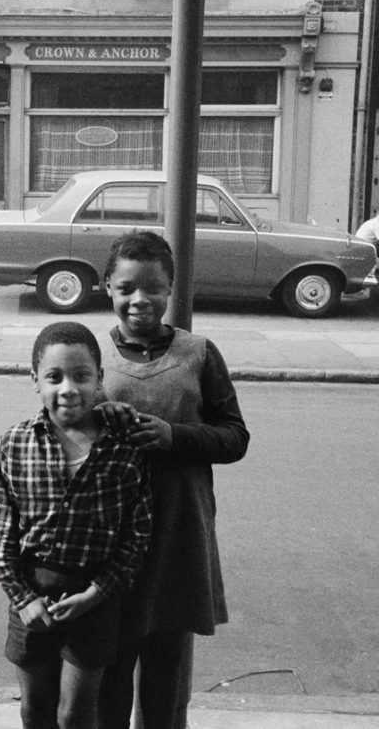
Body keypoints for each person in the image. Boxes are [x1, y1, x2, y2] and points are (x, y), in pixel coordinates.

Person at [95, 232, 250, 729]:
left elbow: (234, 437)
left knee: (166, 677)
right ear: (108, 288)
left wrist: (173, 436)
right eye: (126, 288)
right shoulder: (90, 352)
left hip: (178, 528)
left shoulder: (199, 353)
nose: (140, 300)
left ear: (171, 289)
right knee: (109, 674)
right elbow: (58, 426)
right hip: (108, 532)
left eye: (154, 288)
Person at [0, 321, 153, 729]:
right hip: (31, 594)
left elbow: (136, 538)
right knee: (34, 710)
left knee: (77, 713)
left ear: (99, 379)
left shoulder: (124, 449)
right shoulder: (15, 443)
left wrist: (96, 595)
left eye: (82, 376)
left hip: (93, 598)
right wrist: (23, 599)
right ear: (34, 381)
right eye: (54, 377)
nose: (68, 389)